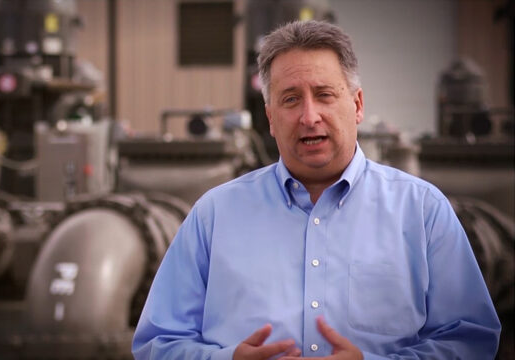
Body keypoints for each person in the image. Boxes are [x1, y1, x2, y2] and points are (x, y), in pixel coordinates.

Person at [131, 20, 501, 359]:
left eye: (324, 95)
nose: (309, 117)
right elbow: (156, 343)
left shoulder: (422, 211)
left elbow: (471, 341)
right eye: (290, 99)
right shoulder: (214, 215)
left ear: (356, 105)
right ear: (271, 117)